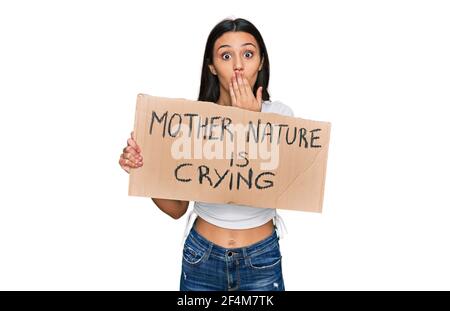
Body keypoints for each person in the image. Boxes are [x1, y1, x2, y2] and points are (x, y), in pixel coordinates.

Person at [119, 18, 294, 291]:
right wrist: (144, 170)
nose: (238, 64)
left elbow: (281, 189)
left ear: (260, 62)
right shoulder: (192, 121)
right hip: (201, 258)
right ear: (212, 66)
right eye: (226, 55)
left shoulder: (281, 116)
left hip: (261, 259)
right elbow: (177, 209)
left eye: (248, 54)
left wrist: (248, 122)